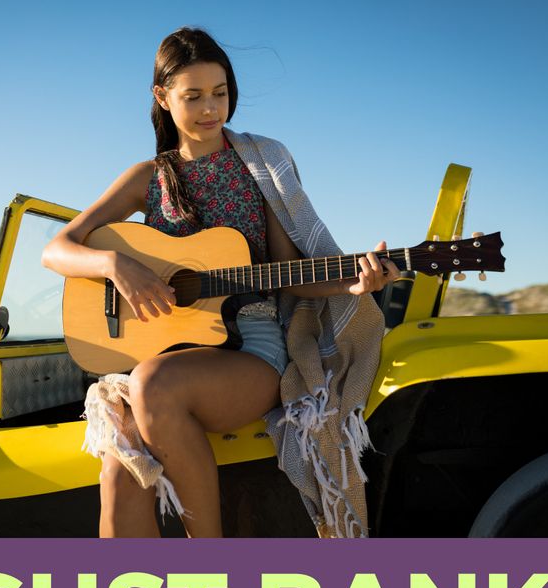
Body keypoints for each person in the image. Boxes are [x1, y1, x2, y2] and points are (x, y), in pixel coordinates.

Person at [42, 27, 399, 538]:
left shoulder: (261, 166)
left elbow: (291, 274)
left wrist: (352, 285)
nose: (210, 109)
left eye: (220, 93)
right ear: (162, 97)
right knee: (119, 471)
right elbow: (57, 250)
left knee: (152, 385)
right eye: (193, 96)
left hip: (250, 349)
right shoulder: (147, 178)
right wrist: (117, 266)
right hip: (161, 349)